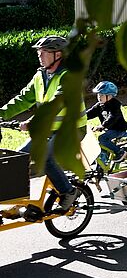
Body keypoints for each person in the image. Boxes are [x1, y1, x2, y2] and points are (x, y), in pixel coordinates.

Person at [0, 36, 86, 212]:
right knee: (20, 158)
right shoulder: (41, 75)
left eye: (44, 52)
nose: (40, 55)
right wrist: (0, 113)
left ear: (58, 54)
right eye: (39, 52)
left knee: (45, 158)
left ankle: (68, 192)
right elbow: (23, 99)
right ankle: (22, 202)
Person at [86, 81, 127, 164]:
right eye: (98, 95)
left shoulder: (115, 106)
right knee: (99, 144)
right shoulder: (100, 105)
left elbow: (112, 117)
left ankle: (120, 152)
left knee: (102, 138)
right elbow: (89, 113)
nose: (99, 97)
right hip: (109, 129)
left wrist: (102, 126)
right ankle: (103, 164)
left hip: (118, 129)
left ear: (109, 96)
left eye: (101, 95)